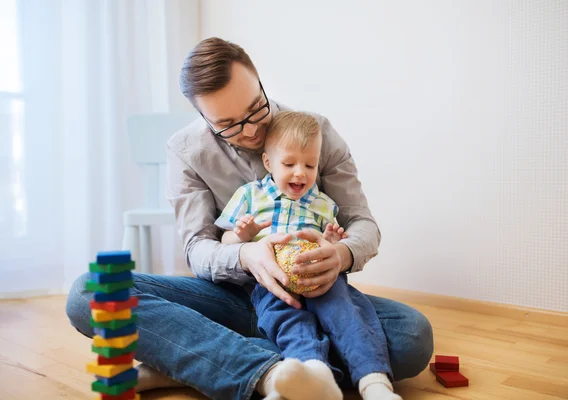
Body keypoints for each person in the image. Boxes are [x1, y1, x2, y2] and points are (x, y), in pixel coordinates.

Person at [65, 37, 433, 400]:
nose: (252, 130)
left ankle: (198, 361)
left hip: (313, 296)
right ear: (202, 116)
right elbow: (197, 248)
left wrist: (341, 254)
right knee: (93, 292)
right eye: (229, 124)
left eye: (257, 108)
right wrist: (246, 255)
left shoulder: (314, 132)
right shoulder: (185, 151)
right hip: (230, 297)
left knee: (411, 336)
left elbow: (362, 223)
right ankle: (272, 374)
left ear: (259, 81)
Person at [215, 110, 403, 400]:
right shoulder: (249, 196)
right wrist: (242, 234)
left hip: (321, 279)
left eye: (310, 165)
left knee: (346, 314)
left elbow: (333, 243)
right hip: (272, 282)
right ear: (268, 162)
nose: (300, 172)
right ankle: (310, 377)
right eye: (289, 163)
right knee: (288, 321)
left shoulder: (324, 204)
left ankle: (374, 381)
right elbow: (226, 241)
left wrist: (331, 242)